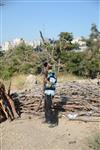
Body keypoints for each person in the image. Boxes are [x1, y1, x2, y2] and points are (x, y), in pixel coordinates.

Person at [43, 62, 57, 126]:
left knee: (49, 106)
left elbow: (52, 82)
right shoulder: (47, 73)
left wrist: (46, 81)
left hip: (50, 92)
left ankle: (53, 122)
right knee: (46, 107)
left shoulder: (52, 73)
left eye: (46, 66)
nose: (44, 68)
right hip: (47, 92)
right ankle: (47, 119)